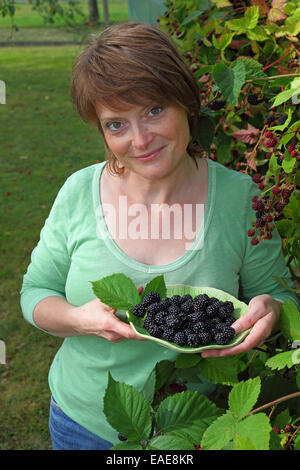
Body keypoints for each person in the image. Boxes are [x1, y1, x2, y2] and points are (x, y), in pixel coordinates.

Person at [20, 21, 300, 450]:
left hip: (190, 432)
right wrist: (80, 319)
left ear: (185, 103)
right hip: (81, 424)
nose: (140, 139)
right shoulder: (79, 192)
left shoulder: (239, 199)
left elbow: (277, 295)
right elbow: (36, 292)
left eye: (154, 110)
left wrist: (272, 311)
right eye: (116, 125)